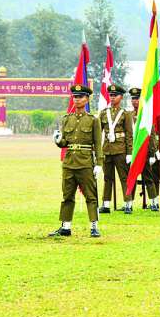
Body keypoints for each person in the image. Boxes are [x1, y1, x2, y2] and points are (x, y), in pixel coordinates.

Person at [50, 84, 104, 237]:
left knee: (91, 196)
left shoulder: (93, 120)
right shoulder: (67, 119)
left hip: (85, 162)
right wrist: (58, 140)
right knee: (67, 195)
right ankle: (65, 227)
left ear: (87, 99)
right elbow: (65, 143)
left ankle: (94, 226)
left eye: (80, 97)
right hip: (69, 163)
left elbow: (97, 144)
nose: (77, 99)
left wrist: (99, 163)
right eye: (75, 97)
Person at [98, 84, 134, 214]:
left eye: (115, 95)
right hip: (107, 149)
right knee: (107, 178)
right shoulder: (103, 113)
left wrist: (129, 152)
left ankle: (128, 203)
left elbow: (129, 135)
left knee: (124, 178)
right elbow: (98, 133)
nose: (112, 97)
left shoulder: (125, 114)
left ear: (121, 97)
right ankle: (106, 204)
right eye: (111, 95)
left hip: (121, 150)